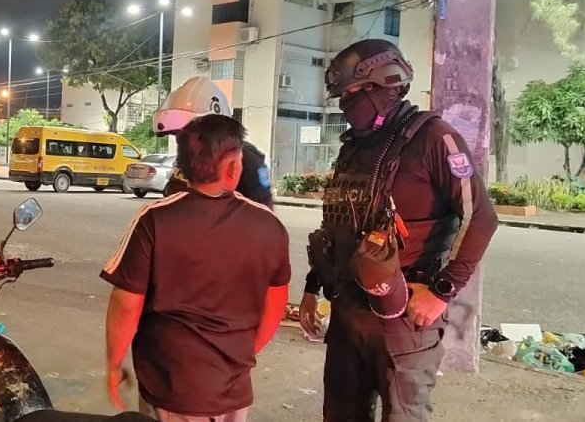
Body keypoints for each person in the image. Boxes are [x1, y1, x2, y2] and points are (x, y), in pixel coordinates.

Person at [298, 39, 499, 422]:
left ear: (383, 85)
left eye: (352, 93)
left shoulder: (434, 138)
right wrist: (313, 286)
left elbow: (481, 217)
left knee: (403, 415)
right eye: (342, 96)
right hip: (348, 310)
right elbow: (336, 223)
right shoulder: (354, 147)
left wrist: (443, 291)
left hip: (404, 313)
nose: (345, 104)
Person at [102, 113, 291, 422]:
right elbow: (275, 305)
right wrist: (241, 354)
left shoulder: (154, 219)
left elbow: (126, 304)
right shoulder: (268, 225)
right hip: (233, 391)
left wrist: (113, 363)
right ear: (233, 168)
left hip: (170, 389)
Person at [154, 76, 273, 208]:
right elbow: (174, 201)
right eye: (181, 137)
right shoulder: (188, 160)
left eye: (193, 136)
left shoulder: (248, 162)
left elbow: (263, 212)